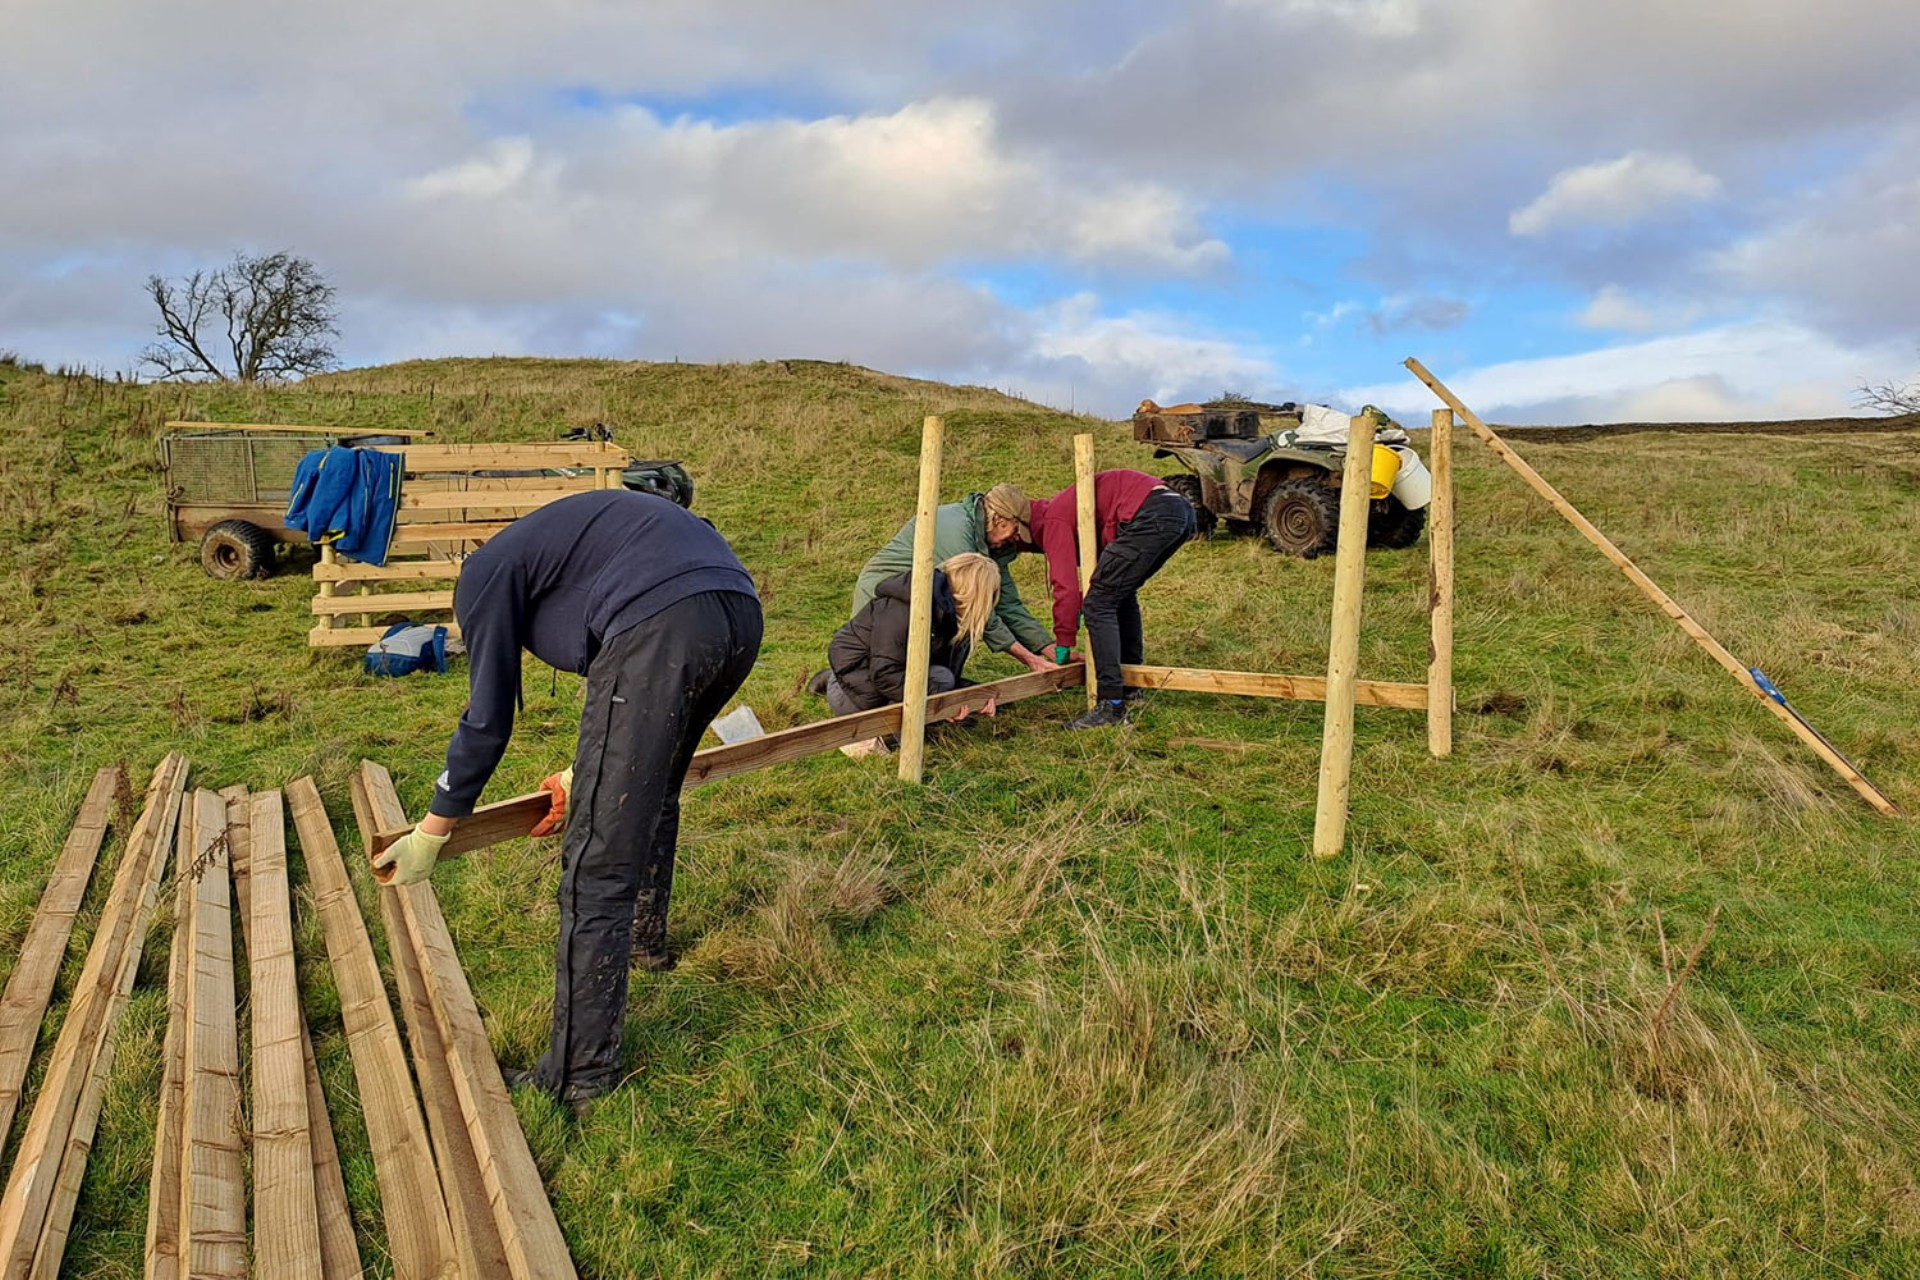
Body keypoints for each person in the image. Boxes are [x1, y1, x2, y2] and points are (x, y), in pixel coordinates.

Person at [373, 489, 762, 1109]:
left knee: (594, 865)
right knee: (652, 790)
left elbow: (487, 719)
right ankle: (641, 941)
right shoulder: (565, 550)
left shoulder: (483, 576)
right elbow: (630, 709)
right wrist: (589, 772)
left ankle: (579, 1074)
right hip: (737, 613)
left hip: (662, 620)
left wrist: (433, 830)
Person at [1017, 469, 1195, 729]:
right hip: (1178, 509)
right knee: (1118, 595)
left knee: (1099, 603)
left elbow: (1064, 587)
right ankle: (1131, 689)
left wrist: (1063, 644)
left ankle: (1111, 705)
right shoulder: (1068, 509)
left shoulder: (1052, 519)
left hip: (1151, 513)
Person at [846, 486, 1057, 675]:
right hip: (883, 599)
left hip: (916, 598)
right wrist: (1029, 659)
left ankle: (943, 691)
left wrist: (1048, 648)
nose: (1016, 539)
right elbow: (977, 608)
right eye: (1016, 531)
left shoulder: (990, 544)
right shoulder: (957, 533)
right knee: (962, 618)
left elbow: (1007, 603)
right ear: (999, 521)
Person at [824, 552, 1002, 753]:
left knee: (943, 679)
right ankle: (860, 737)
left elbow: (945, 675)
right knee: (936, 691)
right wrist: (941, 703)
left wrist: (977, 696)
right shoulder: (903, 608)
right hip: (857, 693)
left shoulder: (952, 620)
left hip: (879, 682)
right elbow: (884, 673)